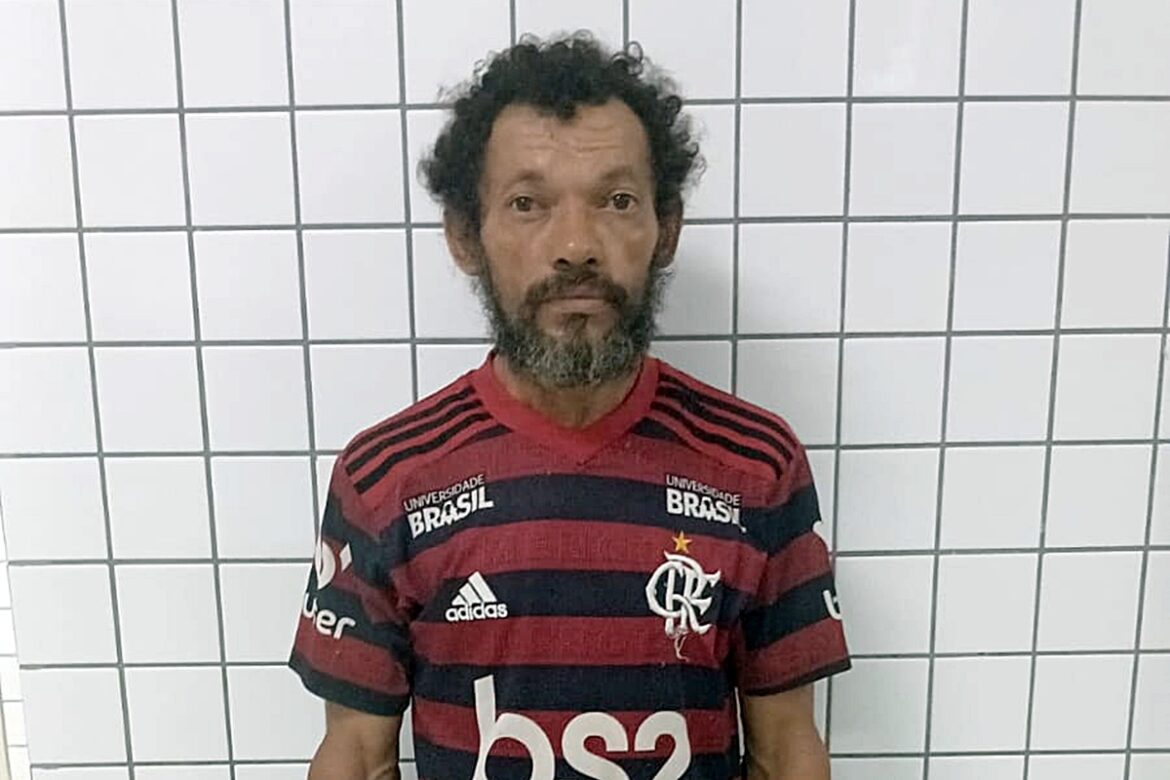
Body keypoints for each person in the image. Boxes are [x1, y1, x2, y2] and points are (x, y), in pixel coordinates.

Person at [290, 33, 851, 780]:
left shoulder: (758, 465)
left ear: (666, 229)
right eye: (528, 204)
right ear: (465, 236)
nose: (577, 245)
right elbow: (357, 758)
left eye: (617, 201)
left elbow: (786, 754)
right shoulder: (385, 478)